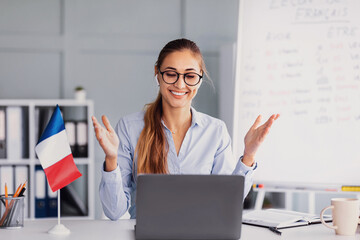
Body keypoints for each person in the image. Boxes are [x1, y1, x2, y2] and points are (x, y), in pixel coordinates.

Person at [92, 38, 280, 220]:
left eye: (190, 76)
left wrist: (249, 155)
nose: (180, 84)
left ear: (199, 79)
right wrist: (111, 159)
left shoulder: (216, 131)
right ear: (157, 73)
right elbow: (114, 212)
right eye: (171, 74)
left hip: (202, 234)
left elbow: (227, 202)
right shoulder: (130, 127)